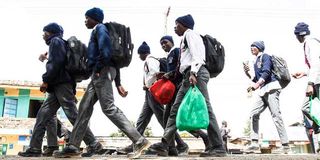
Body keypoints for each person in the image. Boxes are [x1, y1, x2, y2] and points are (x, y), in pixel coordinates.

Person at [54, 7, 150, 159]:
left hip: (101, 72)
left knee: (108, 108)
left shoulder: (100, 29)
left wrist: (98, 69)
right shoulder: (101, 30)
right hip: (102, 73)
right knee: (84, 107)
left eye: (87, 18)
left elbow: (106, 52)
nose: (85, 21)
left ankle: (139, 140)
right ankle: (73, 146)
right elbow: (114, 61)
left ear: (94, 18)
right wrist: (118, 83)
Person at [18, 22, 101, 157]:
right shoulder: (60, 43)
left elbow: (56, 63)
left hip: (61, 85)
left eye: (44, 32)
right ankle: (34, 148)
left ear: (50, 32)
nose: (43, 35)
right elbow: (59, 62)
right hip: (58, 85)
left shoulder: (56, 41)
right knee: (42, 115)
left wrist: (45, 80)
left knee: (73, 115)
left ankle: (93, 143)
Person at [151, 14, 227, 157]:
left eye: (177, 24)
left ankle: (218, 146)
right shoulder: (185, 37)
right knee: (175, 109)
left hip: (195, 74)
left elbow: (198, 56)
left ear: (184, 25)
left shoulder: (190, 34)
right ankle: (165, 143)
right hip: (189, 75)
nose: (175, 27)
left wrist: (193, 73)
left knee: (205, 109)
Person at [243, 41, 290, 154]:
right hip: (263, 90)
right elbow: (256, 79)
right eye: (251, 47)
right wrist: (247, 73)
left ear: (259, 48)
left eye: (254, 46)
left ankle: (285, 145)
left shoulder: (265, 57)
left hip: (272, 88)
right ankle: (254, 143)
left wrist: (257, 85)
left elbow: (267, 72)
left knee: (276, 115)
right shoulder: (256, 61)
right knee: (254, 113)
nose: (251, 48)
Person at [292, 22, 320, 153]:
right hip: (315, 80)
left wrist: (310, 84)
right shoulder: (308, 43)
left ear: (299, 35)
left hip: (317, 82)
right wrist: (304, 73)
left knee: (310, 109)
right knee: (308, 109)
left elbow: (316, 64)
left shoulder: (311, 43)